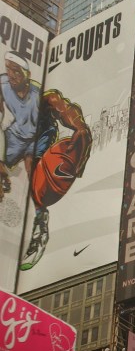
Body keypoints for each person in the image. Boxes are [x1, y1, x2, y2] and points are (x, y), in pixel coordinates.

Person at [20, 88, 92, 270]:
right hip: (15, 138)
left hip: (38, 137)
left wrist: (79, 127)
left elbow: (59, 104)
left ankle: (40, 221)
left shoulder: (38, 97)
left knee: (29, 161)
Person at [0, 53, 41, 198]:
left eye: (16, 71)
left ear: (27, 74)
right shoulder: (3, 83)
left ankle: (39, 205)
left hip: (34, 137)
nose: (11, 74)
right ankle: (4, 180)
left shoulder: (38, 93)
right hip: (15, 135)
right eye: (8, 69)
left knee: (32, 165)